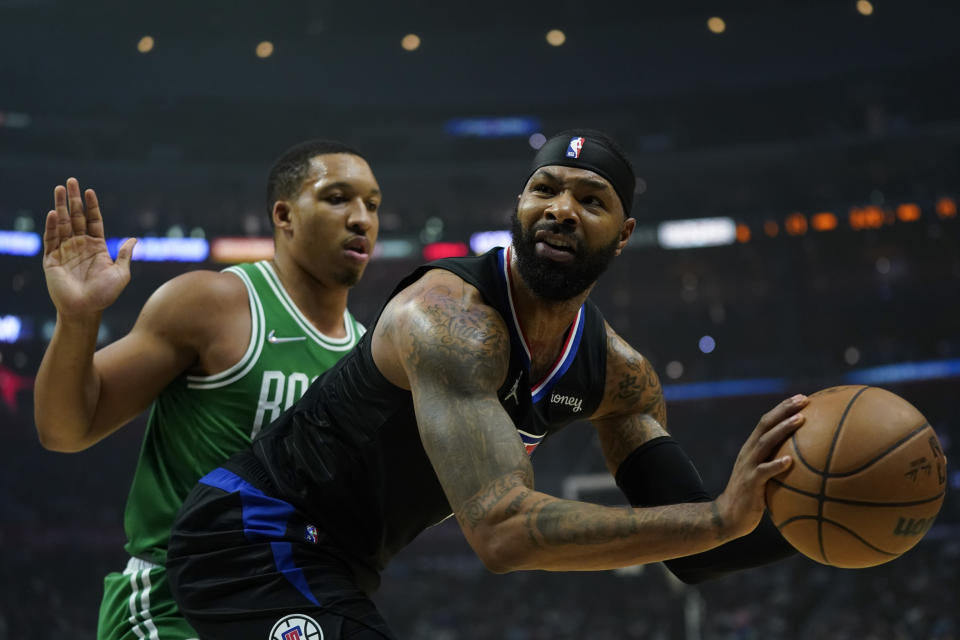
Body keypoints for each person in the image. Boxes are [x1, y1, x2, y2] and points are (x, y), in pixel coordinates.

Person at [166, 130, 801, 640]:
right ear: (518, 210)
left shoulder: (619, 376)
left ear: (624, 234)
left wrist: (814, 518)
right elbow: (504, 533)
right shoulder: (447, 320)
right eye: (544, 189)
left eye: (592, 199)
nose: (561, 209)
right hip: (249, 535)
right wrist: (720, 517)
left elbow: (696, 549)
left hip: (338, 562)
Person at [34, 139, 381, 640]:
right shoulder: (212, 305)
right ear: (284, 215)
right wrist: (78, 317)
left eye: (371, 204)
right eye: (337, 198)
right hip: (177, 603)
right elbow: (66, 429)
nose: (361, 219)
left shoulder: (367, 359)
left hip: (285, 612)